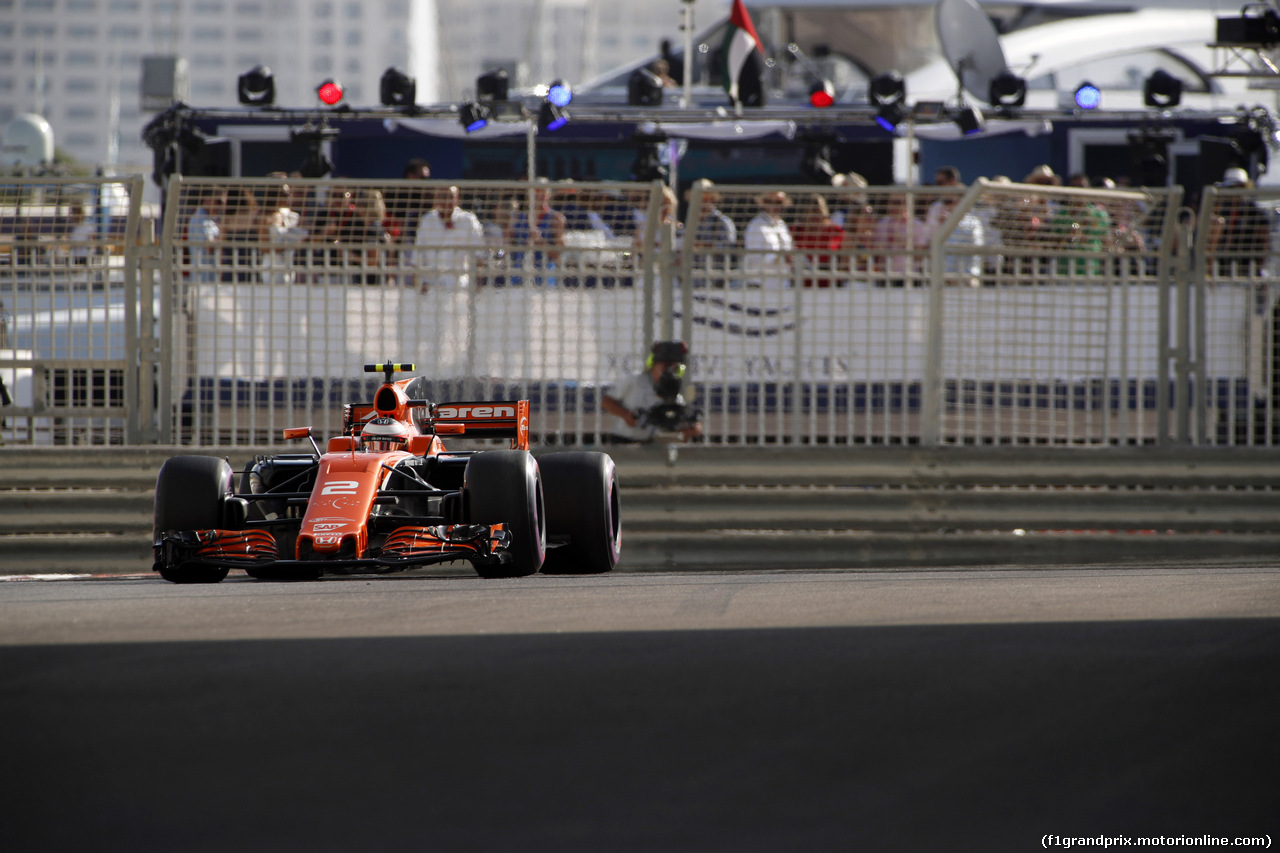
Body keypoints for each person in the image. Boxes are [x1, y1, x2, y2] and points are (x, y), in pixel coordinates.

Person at [602, 340, 703, 443]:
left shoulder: (674, 395)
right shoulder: (634, 381)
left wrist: (691, 429)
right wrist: (626, 415)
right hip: (624, 442)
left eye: (674, 368)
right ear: (654, 365)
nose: (669, 372)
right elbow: (606, 401)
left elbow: (677, 425)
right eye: (664, 367)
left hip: (651, 446)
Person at [409, 185, 485, 290]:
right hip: (432, 287)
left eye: (450, 196)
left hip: (461, 287)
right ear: (436, 199)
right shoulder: (427, 220)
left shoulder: (468, 220)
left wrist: (478, 287)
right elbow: (417, 258)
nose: (446, 200)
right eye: (442, 196)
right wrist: (419, 286)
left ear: (457, 199)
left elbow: (478, 256)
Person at [687, 178, 736, 288]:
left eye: (704, 197)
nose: (701, 200)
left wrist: (702, 246)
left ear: (713, 198)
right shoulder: (689, 222)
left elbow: (728, 250)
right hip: (692, 284)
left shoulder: (722, 222)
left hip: (716, 284)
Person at [791, 193, 845, 287]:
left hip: (830, 285)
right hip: (802, 285)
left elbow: (844, 260)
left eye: (819, 208)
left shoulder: (837, 231)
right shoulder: (795, 231)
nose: (816, 212)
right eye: (812, 208)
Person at [743, 190, 794, 288]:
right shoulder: (756, 225)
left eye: (779, 202)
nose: (774, 206)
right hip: (762, 283)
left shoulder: (781, 225)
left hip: (782, 282)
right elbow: (754, 256)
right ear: (763, 204)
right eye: (769, 201)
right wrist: (780, 258)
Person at [185, 184, 227, 283]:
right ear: (208, 199)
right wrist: (225, 234)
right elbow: (209, 246)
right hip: (203, 279)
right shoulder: (200, 220)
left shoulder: (211, 219)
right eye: (219, 202)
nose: (222, 206)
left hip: (211, 277)